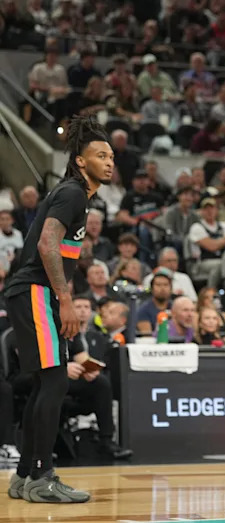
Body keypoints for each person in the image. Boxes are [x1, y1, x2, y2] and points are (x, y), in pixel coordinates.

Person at [5, 116, 112, 503]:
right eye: (100, 155)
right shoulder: (72, 193)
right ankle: (42, 476)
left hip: (35, 292)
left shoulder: (76, 195)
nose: (109, 161)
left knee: (47, 382)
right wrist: (65, 300)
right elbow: (48, 246)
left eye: (111, 155)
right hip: (36, 290)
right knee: (54, 382)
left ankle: (24, 477)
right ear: (81, 161)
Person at [65, 296, 133, 460]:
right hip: (50, 377)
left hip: (73, 379)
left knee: (101, 382)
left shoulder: (90, 336)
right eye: (77, 307)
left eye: (86, 307)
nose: (81, 311)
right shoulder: (53, 329)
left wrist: (91, 370)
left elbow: (82, 358)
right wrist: (63, 369)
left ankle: (106, 440)